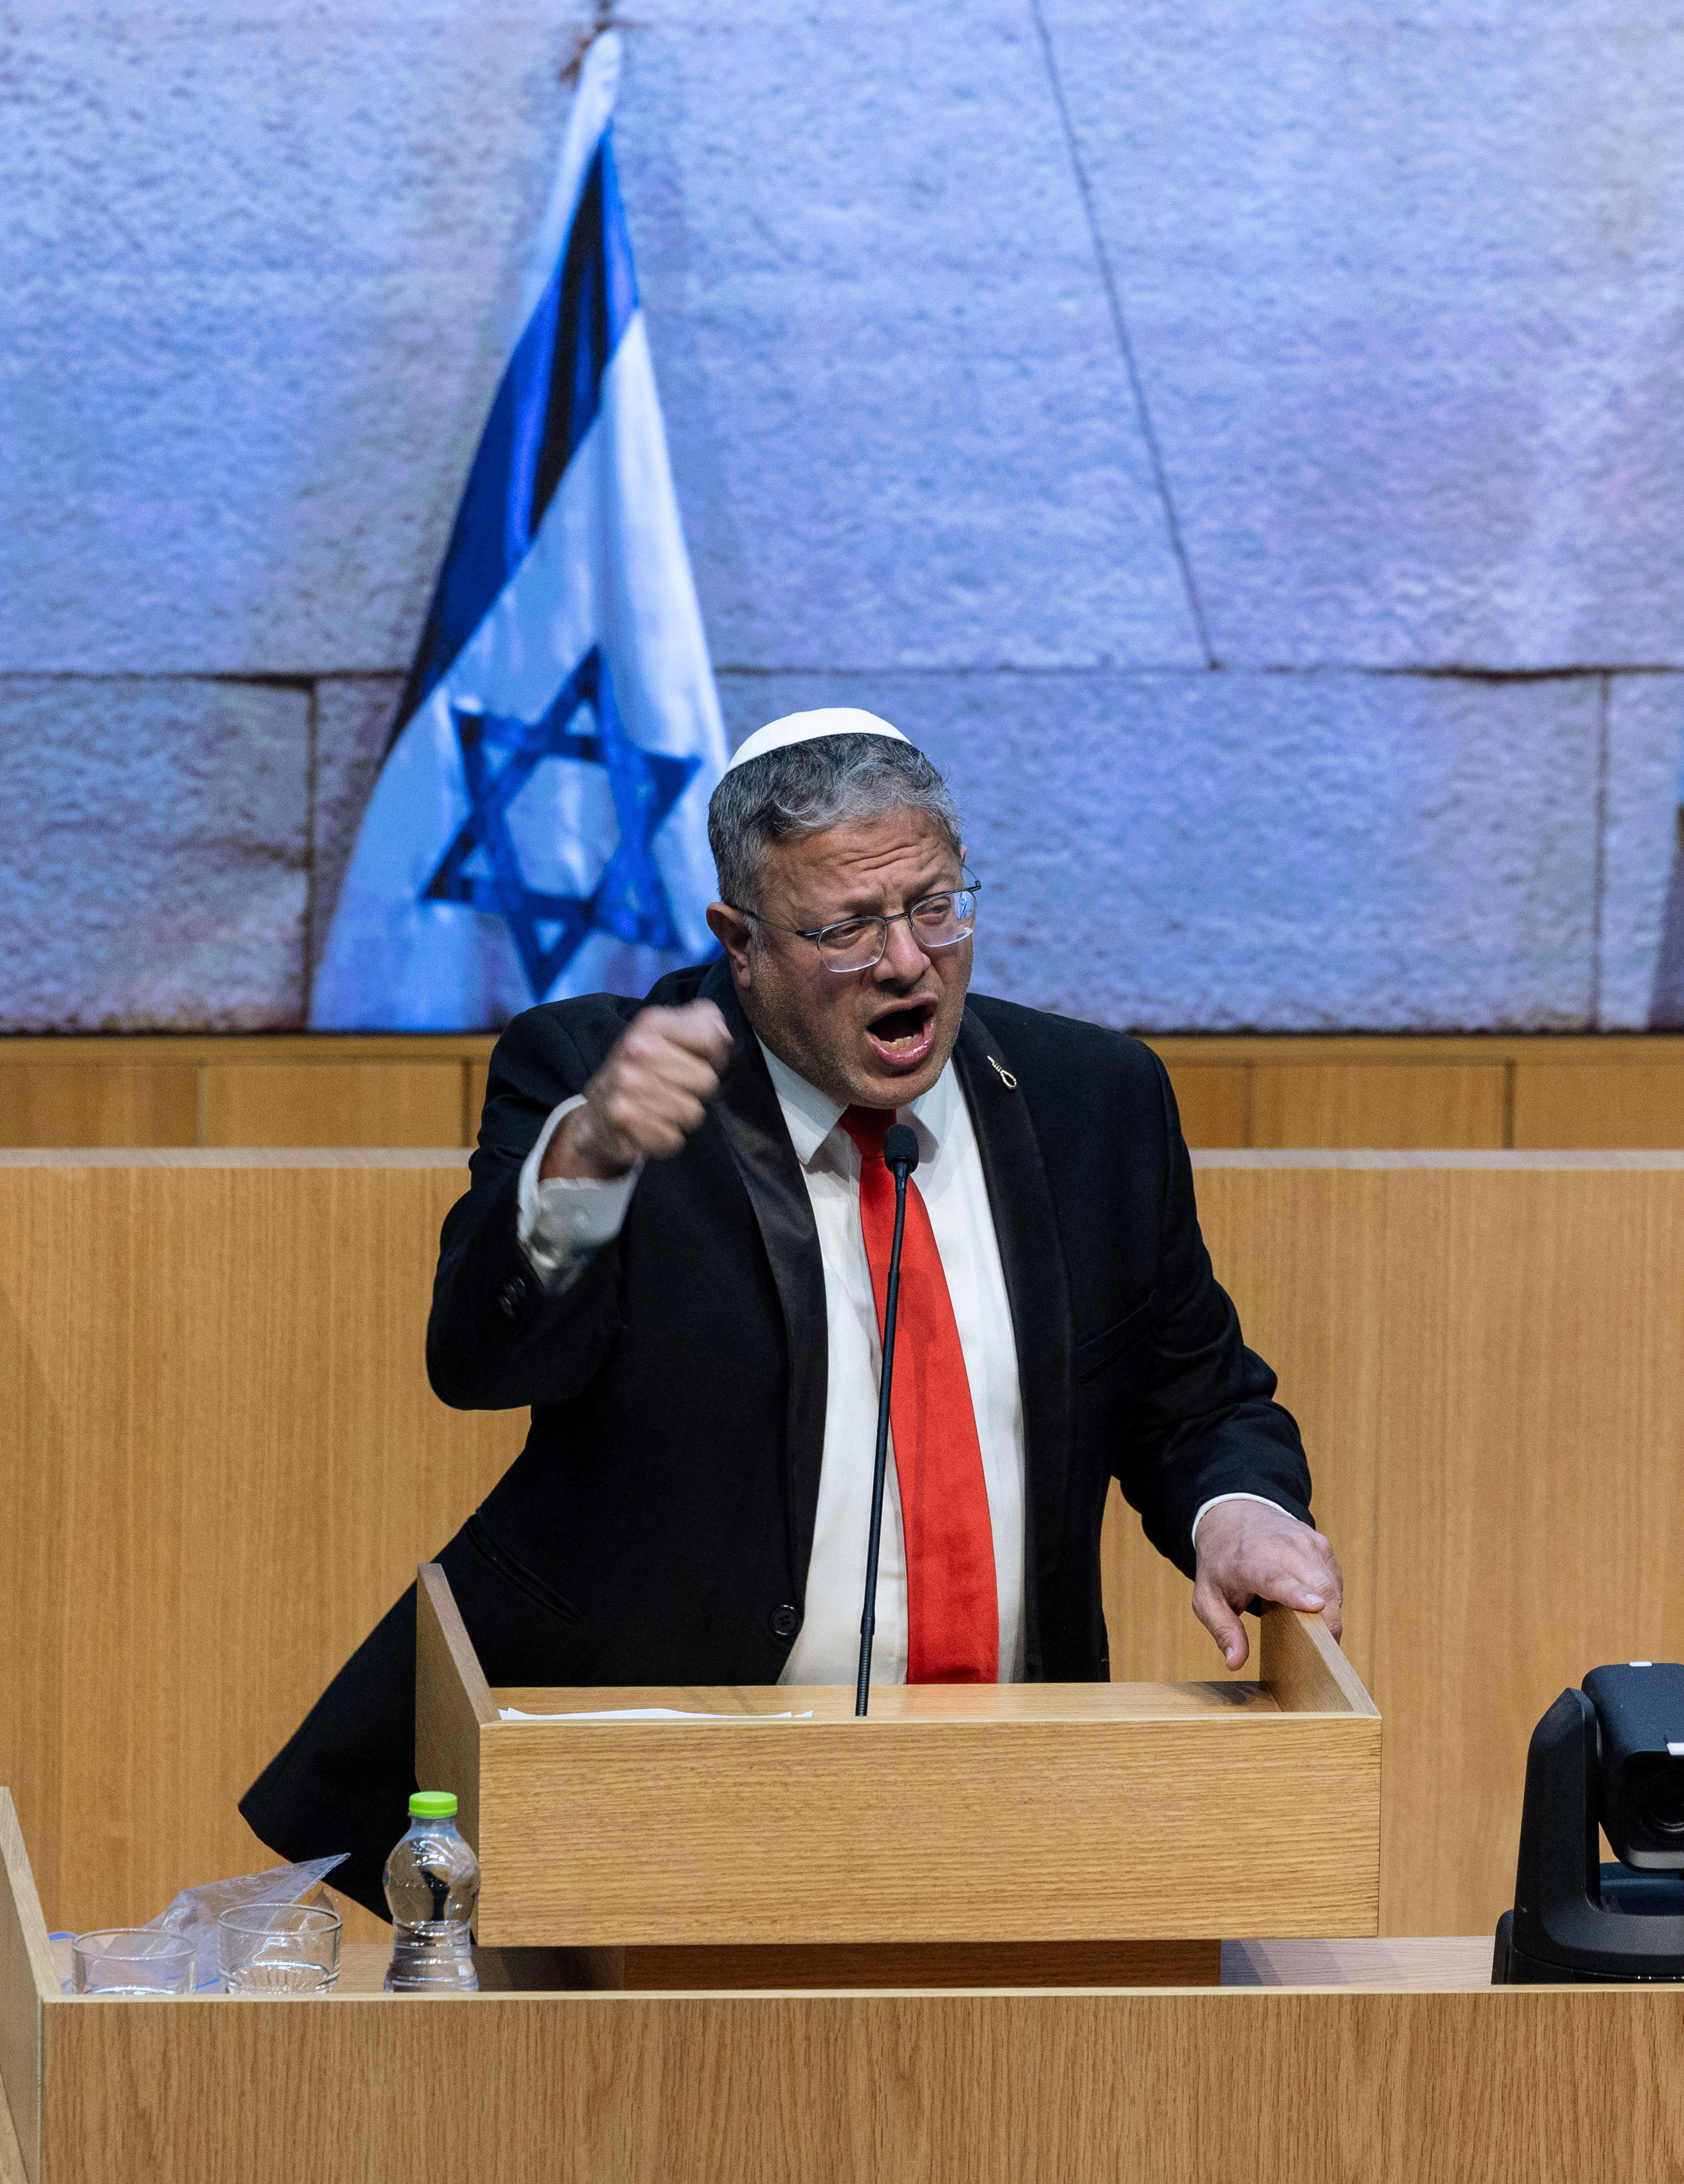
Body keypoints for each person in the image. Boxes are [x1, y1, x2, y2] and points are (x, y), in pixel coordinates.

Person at [243, 709, 1345, 1897]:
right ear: (739, 942)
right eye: (845, 928)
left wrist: (1235, 1507)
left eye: (933, 905)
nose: (906, 961)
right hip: (666, 1784)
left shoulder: (1094, 1101)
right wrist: (587, 1165)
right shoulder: (602, 1076)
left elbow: (1194, 1400)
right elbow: (478, 1360)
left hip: (1010, 1781)